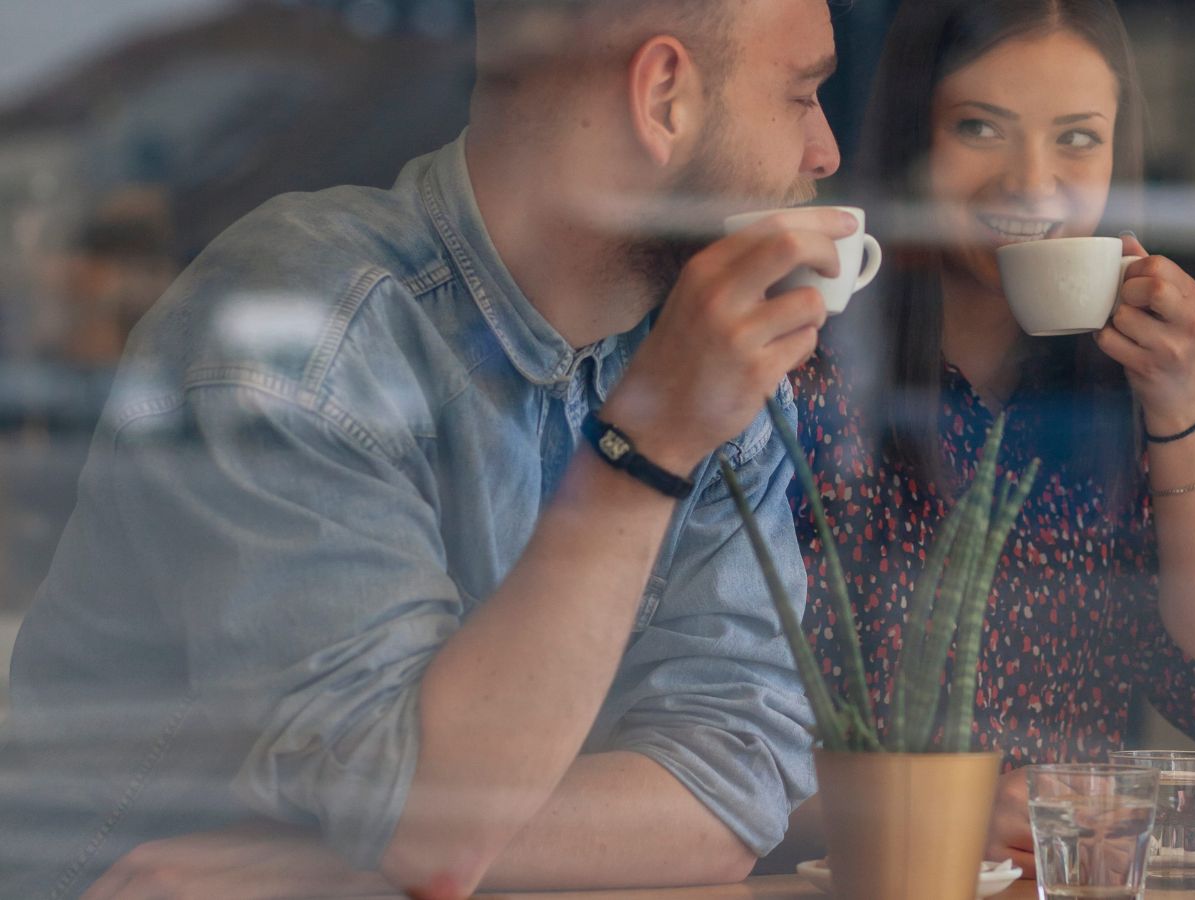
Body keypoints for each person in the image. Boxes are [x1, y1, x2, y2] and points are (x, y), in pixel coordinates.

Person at [0, 1, 850, 897]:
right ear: (664, 96)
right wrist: (645, 449)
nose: (826, 150)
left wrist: (326, 865)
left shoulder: (691, 351)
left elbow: (727, 796)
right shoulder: (300, 330)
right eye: (803, 94)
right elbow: (423, 820)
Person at [785, 0, 1195, 874]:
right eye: (981, 127)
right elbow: (701, 747)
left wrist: (1186, 402)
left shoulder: (1116, 396)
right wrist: (929, 812)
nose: (1032, 180)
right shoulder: (808, 363)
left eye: (1077, 138)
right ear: (913, 143)